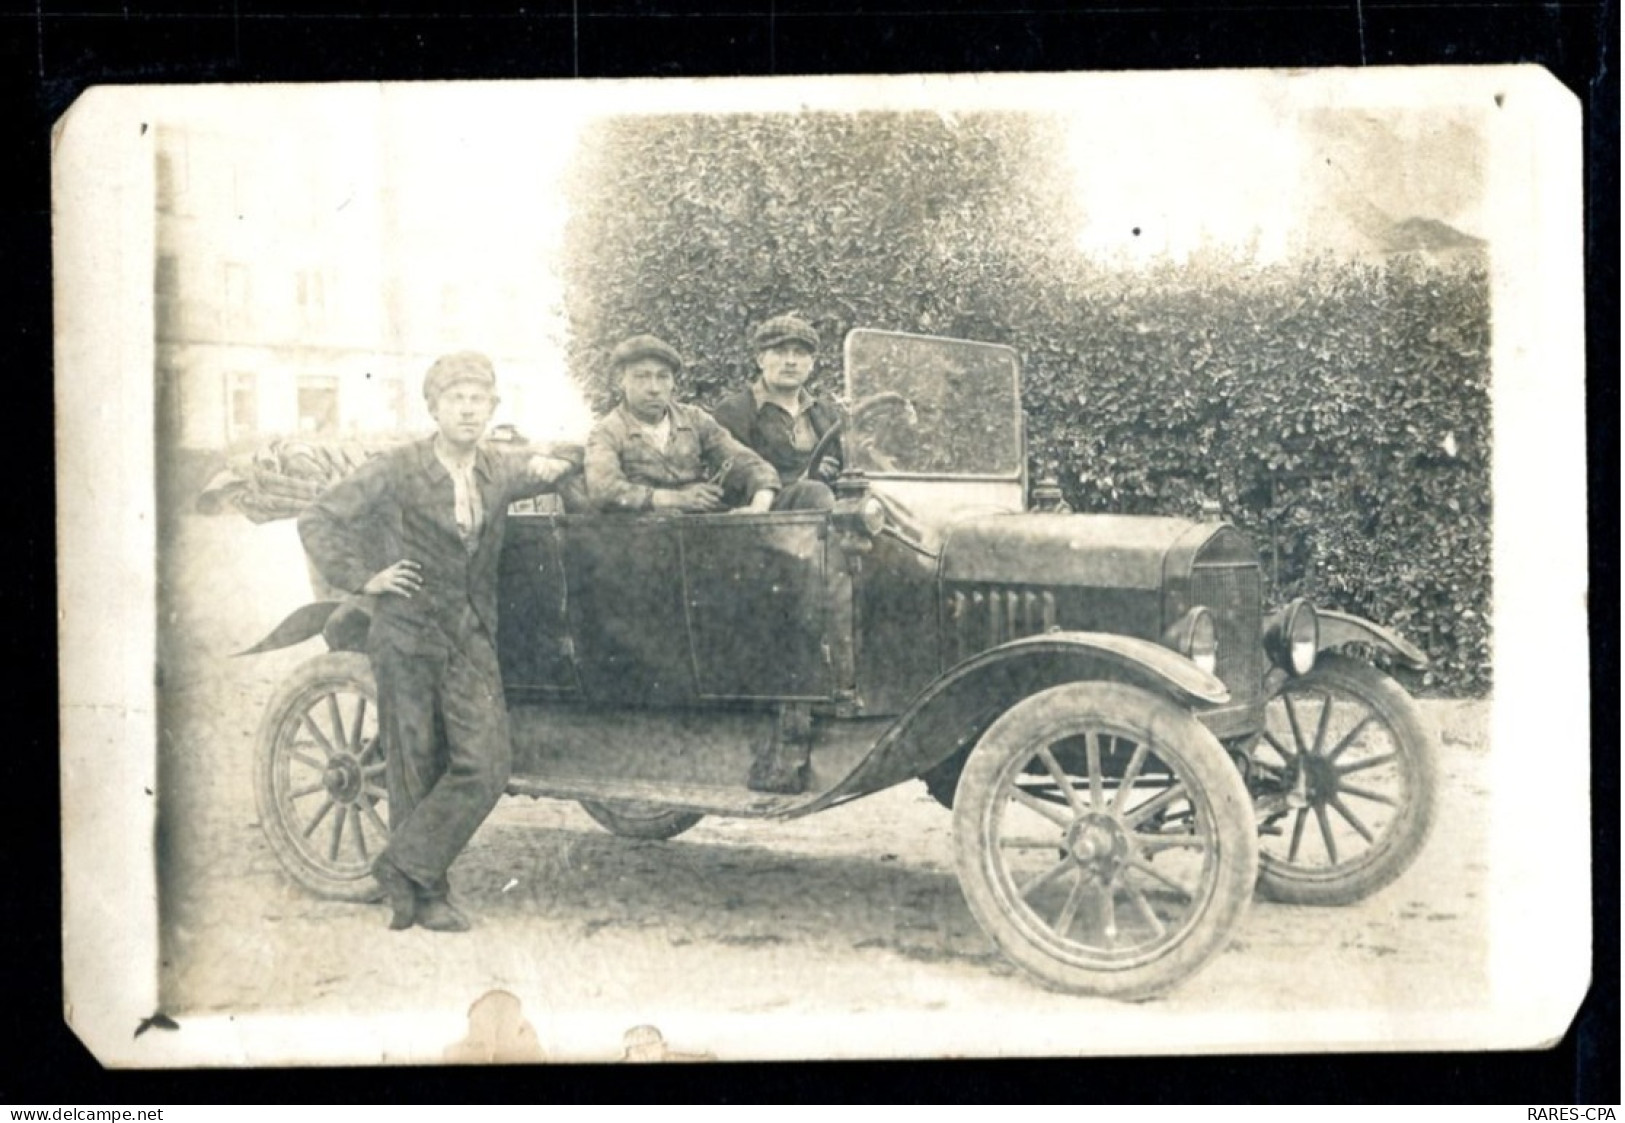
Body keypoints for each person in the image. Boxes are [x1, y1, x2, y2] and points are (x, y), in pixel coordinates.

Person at [298, 351, 579, 932]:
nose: (469, 409)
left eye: (480, 399)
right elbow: (319, 518)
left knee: (488, 763)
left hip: (470, 635)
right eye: (457, 399)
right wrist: (365, 578)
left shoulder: (497, 469)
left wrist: (567, 461)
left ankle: (403, 864)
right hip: (406, 633)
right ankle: (427, 895)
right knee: (415, 763)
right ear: (434, 408)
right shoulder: (398, 467)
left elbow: (550, 463)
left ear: (493, 408)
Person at [585, 333, 831, 513]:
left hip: (701, 531)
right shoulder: (607, 431)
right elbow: (604, 490)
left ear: (672, 383)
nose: (654, 388)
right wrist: (673, 499)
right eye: (641, 377)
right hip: (644, 539)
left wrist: (759, 505)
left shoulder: (695, 419)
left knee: (812, 493)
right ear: (621, 381)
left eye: (663, 377)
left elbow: (746, 462)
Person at [712, 314, 841, 501]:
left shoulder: (825, 412)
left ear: (811, 363)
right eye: (780, 352)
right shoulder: (734, 411)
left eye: (799, 353)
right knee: (815, 492)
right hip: (768, 515)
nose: (791, 361)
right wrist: (804, 478)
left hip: (825, 511)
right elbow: (734, 477)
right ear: (761, 360)